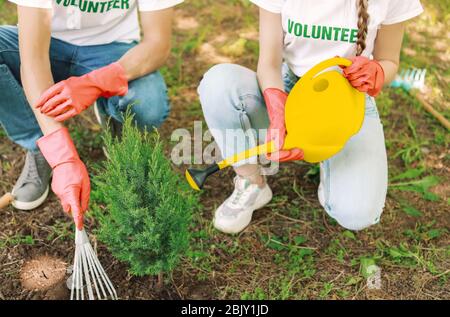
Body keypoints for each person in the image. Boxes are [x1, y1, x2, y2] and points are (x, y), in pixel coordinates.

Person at [198, 0, 423, 234]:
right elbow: (269, 63)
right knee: (219, 84)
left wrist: (377, 71)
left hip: (348, 102)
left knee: (357, 214)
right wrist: (277, 107)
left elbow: (389, 61)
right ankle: (252, 182)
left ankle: (330, 165)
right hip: (290, 88)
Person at [0, 0, 183, 229]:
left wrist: (96, 83)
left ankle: (113, 114)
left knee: (148, 105)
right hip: (49, 44)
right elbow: (33, 58)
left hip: (112, 49)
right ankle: (41, 145)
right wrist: (62, 157)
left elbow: (158, 44)